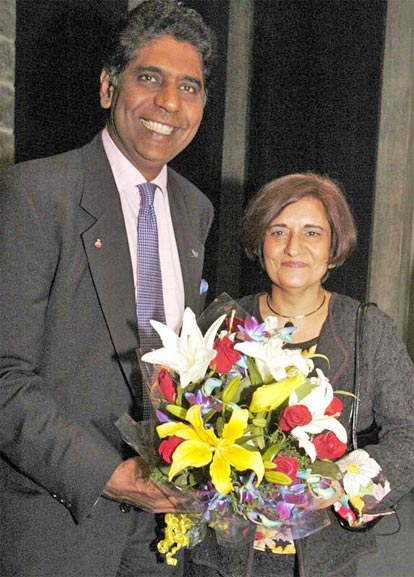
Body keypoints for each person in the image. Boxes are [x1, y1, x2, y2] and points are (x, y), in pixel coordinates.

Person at [0, 2, 217, 576]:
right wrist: (111, 476)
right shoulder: (34, 195)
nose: (170, 102)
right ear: (107, 88)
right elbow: (4, 374)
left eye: (189, 87)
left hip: (162, 536)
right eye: (150, 78)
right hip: (57, 522)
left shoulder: (197, 211)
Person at [186, 173, 414, 577]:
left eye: (312, 232)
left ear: (334, 246)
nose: (294, 247)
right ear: (261, 242)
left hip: (324, 558)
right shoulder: (223, 323)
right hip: (223, 557)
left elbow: (409, 436)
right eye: (279, 231)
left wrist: (340, 483)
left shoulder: (367, 330)